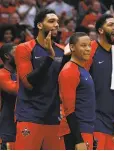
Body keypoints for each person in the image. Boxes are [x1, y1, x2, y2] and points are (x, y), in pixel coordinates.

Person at [14, 9, 66, 149]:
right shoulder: (24, 48)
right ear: (39, 25)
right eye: (51, 21)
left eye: (57, 22)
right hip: (29, 116)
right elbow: (28, 83)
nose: (56, 25)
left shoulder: (63, 51)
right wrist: (49, 57)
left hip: (53, 118)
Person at [84, 14, 114, 150]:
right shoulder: (89, 50)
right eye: (110, 25)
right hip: (92, 120)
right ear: (100, 31)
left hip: (111, 122)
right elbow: (78, 83)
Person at [58, 32, 96, 150]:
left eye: (89, 45)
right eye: (83, 45)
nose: (88, 49)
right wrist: (78, 140)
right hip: (76, 133)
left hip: (86, 129)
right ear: (72, 47)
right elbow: (69, 110)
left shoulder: (83, 70)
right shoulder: (69, 71)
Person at [0, 43, 17, 150]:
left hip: (23, 121)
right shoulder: (1, 74)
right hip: (7, 124)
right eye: (16, 52)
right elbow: (14, 90)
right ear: (7, 56)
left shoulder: (20, 73)